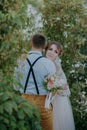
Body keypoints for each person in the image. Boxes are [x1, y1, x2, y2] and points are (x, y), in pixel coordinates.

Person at [14, 34, 56, 130]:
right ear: (44, 46)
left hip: (24, 101)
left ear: (30, 44)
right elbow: (53, 87)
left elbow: (15, 86)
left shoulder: (20, 61)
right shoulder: (48, 64)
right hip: (42, 103)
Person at [45, 41, 75, 130]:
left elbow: (65, 86)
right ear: (46, 49)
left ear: (58, 55)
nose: (52, 52)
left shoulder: (56, 67)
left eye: (56, 52)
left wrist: (55, 87)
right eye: (50, 49)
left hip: (57, 101)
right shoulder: (41, 63)